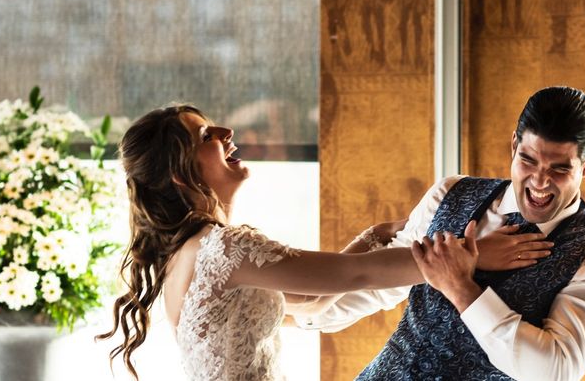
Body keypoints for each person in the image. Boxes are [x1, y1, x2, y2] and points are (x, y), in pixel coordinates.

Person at [96, 104, 544, 381]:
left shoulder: (190, 252)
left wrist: (374, 236)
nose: (225, 134)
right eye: (205, 136)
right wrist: (473, 255)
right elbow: (356, 274)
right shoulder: (225, 249)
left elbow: (311, 302)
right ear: (180, 173)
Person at [293, 86, 585, 381]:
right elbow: (378, 289)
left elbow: (554, 370)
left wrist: (462, 289)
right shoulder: (450, 192)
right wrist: (295, 316)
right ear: (514, 145)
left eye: (559, 168)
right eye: (528, 160)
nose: (540, 182)